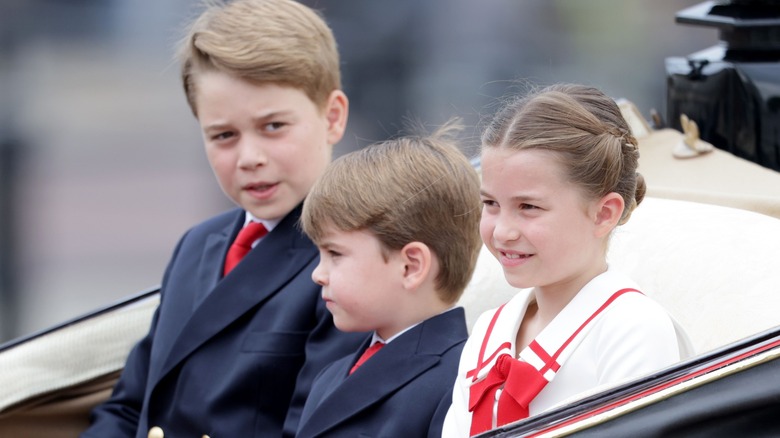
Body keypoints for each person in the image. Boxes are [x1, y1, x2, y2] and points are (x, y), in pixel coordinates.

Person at [81, 1, 365, 437]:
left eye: (273, 127)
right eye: (224, 135)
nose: (250, 158)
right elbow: (130, 405)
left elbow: (317, 426)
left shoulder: (353, 260)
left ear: (333, 117)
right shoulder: (199, 244)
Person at [443, 84, 683, 437]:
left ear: (604, 213)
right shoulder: (489, 329)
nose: (503, 231)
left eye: (529, 207)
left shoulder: (633, 330)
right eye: (491, 204)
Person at [294, 123, 483, 438]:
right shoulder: (330, 376)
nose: (318, 273)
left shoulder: (463, 381)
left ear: (410, 266)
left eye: (335, 254)